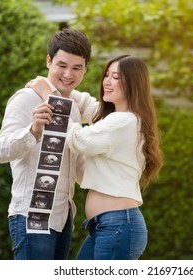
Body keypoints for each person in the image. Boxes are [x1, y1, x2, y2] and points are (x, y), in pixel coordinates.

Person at [28, 54, 164, 260]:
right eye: (106, 75)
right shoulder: (120, 119)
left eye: (116, 77)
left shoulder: (123, 122)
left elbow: (79, 139)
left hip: (117, 226)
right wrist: (62, 88)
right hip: (109, 226)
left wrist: (49, 94)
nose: (106, 81)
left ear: (133, 83)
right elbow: (86, 104)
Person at [0, 28, 92, 260]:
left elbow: (77, 168)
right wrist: (33, 130)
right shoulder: (26, 98)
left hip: (63, 219)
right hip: (31, 217)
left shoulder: (74, 110)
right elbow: (0, 150)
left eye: (77, 68)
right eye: (62, 65)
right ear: (48, 61)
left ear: (85, 69)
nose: (68, 74)